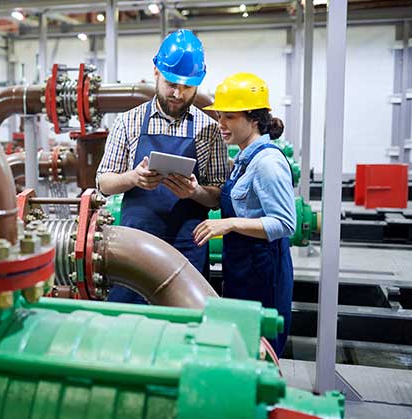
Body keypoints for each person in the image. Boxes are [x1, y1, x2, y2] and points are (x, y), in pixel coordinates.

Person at [96, 29, 229, 304]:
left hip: (187, 249)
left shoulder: (210, 129)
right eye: (171, 83)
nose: (178, 94)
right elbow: (104, 184)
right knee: (129, 323)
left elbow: (217, 197)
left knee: (185, 328)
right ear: (156, 72)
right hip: (134, 248)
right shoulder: (128, 122)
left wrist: (193, 191)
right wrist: (133, 178)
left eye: (187, 87)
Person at [193, 72, 295, 356]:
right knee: (243, 347)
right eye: (220, 116)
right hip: (243, 267)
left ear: (253, 119)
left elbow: (285, 223)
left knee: (261, 350)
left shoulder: (267, 163)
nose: (221, 124)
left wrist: (230, 224)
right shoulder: (243, 159)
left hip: (263, 271)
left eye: (229, 117)